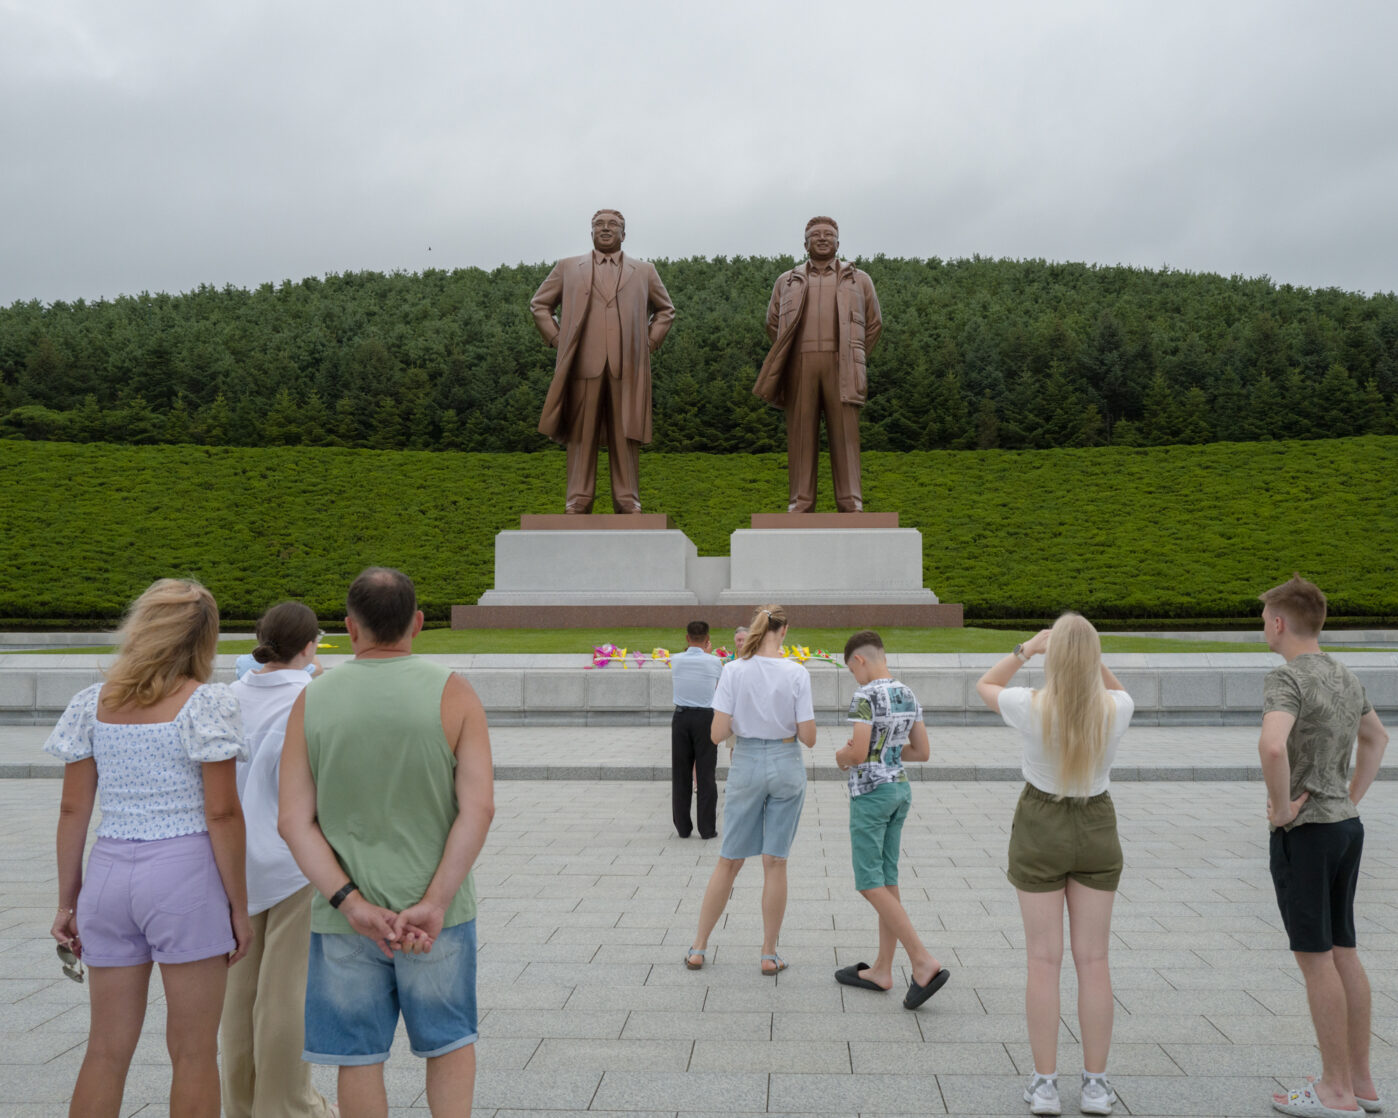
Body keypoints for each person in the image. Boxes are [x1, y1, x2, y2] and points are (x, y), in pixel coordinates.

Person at [279, 567, 494, 1118]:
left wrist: (350, 902)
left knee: (358, 1057)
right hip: (436, 913)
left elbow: (293, 821)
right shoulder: (454, 692)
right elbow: (479, 808)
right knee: (448, 1042)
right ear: (417, 623)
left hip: (346, 917)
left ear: (350, 628)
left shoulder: (312, 699)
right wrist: (436, 902)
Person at [45, 578, 252, 1118]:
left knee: (105, 1050)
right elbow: (222, 813)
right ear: (204, 637)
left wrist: (67, 902)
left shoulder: (91, 704)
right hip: (185, 874)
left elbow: (72, 811)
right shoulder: (205, 703)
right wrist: (239, 906)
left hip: (109, 872)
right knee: (193, 1052)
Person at [976, 614, 1134, 1117]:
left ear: (1055, 656)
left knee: (1043, 961)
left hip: (1040, 821)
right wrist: (1090, 658)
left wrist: (1027, 648)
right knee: (1094, 961)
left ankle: (1045, 1085)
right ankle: (1095, 1086)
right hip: (1096, 822)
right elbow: (1120, 691)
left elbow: (985, 684)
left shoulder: (1031, 705)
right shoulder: (1117, 709)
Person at [1258, 576, 1388, 1118]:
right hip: (1345, 827)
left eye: (1264, 620)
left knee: (1315, 960)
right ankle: (1361, 1082)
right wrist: (1348, 797)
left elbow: (1272, 746)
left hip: (1307, 833)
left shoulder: (1286, 678)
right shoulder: (1344, 674)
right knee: (1343, 951)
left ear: (1279, 623)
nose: (1264, 628)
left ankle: (1334, 1090)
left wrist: (1282, 808)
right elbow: (1377, 738)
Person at [222, 601, 337, 1118]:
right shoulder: (312, 697)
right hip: (293, 860)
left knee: (238, 993)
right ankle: (287, 1104)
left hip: (234, 860)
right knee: (286, 991)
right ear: (310, 646)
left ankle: (242, 1103)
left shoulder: (228, 696)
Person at [684, 604, 816, 976]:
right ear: (784, 630)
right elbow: (809, 737)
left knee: (728, 860)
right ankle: (768, 953)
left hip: (746, 760)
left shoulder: (733, 671)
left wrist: (745, 716)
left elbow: (716, 734)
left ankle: (698, 947)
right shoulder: (796, 672)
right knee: (775, 862)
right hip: (786, 760)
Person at [530, 208, 676, 513]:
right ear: (591, 231)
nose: (605, 228)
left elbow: (666, 310)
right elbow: (540, 305)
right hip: (583, 364)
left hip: (627, 367)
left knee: (626, 432)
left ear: (624, 233)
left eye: (613, 225)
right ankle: (578, 498)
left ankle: (627, 498)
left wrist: (649, 342)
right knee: (581, 433)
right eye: (599, 224)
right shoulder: (568, 267)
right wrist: (557, 339)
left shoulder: (645, 271)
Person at [833, 630, 949, 1009]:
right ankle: (882, 968)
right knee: (887, 879)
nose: (854, 677)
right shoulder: (907, 693)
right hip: (899, 790)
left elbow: (858, 752)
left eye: (852, 669)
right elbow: (922, 751)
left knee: (870, 883)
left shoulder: (864, 696)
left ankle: (922, 960)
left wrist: (841, 756)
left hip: (870, 795)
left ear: (859, 660)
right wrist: (888, 754)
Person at [752, 216, 882, 512]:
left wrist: (854, 355)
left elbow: (874, 324)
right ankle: (800, 501)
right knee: (800, 434)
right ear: (805, 243)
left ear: (838, 242)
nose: (822, 238)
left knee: (846, 435)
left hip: (842, 365)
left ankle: (851, 501)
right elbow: (772, 323)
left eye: (828, 234)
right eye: (816, 234)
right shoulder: (786, 281)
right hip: (800, 366)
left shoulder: (859, 280)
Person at [671, 620, 723, 839]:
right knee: (706, 773)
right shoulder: (715, 662)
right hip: (705, 718)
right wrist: (708, 654)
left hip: (681, 718)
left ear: (687, 637)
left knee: (681, 773)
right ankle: (707, 828)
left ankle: (683, 827)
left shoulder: (675, 660)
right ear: (707, 639)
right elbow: (719, 687)